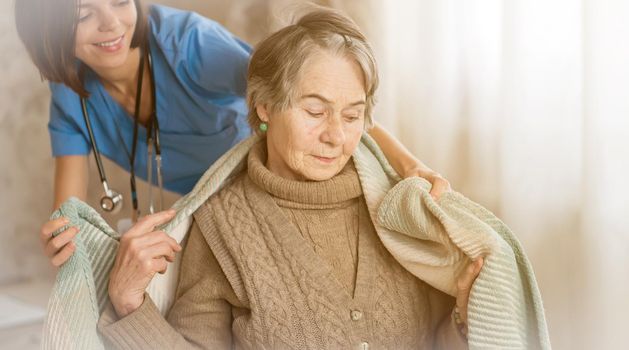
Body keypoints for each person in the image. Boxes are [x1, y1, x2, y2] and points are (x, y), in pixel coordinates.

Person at [97, 7, 482, 349]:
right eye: (315, 111)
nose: (335, 136)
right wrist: (130, 306)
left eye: (352, 116)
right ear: (264, 106)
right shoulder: (222, 226)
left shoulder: (401, 208)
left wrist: (463, 319)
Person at [15, 0, 451, 268]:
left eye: (119, 1)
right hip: (205, 211)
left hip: (273, 187)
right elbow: (66, 215)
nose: (112, 24)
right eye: (84, 14)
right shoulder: (70, 96)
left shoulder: (190, 45)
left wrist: (410, 166)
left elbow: (323, 101)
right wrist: (62, 240)